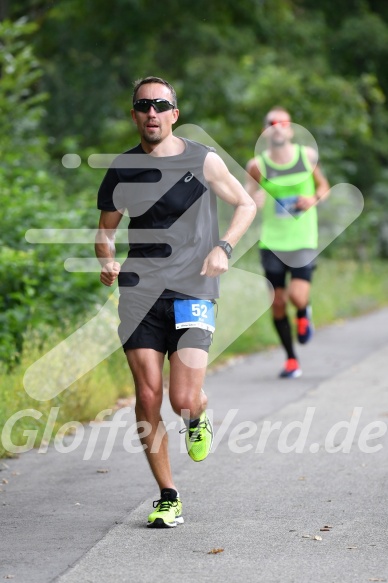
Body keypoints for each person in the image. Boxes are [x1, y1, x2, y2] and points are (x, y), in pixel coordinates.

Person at [95, 76, 256, 528]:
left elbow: (246, 204)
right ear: (134, 114)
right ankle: (168, 494)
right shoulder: (121, 168)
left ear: (174, 114)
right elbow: (105, 232)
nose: (152, 112)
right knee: (148, 397)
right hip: (139, 292)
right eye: (143, 105)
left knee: (182, 398)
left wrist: (224, 247)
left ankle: (196, 414)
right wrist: (106, 261)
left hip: (193, 289)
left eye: (160, 105)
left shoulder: (203, 160)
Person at [245, 106, 330, 379]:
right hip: (272, 241)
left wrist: (312, 200)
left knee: (296, 296)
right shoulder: (258, 165)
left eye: (283, 122)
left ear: (291, 129)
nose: (278, 126)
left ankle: (304, 311)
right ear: (265, 130)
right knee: (278, 302)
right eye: (272, 123)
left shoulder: (307, 157)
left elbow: (323, 188)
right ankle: (292, 360)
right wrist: (253, 202)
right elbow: (247, 198)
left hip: (303, 238)